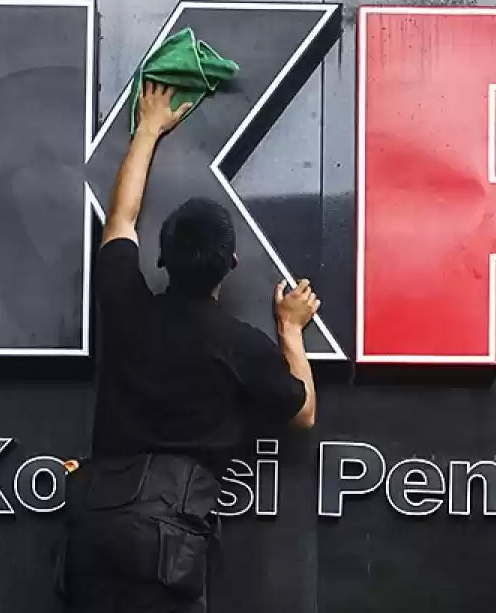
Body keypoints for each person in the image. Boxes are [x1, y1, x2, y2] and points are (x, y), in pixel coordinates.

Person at [56, 81, 321, 613]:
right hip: (167, 550)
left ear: (161, 258)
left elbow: (121, 218)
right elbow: (304, 412)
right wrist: (290, 330)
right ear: (232, 264)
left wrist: (149, 129)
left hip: (94, 534)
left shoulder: (126, 303)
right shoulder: (238, 345)